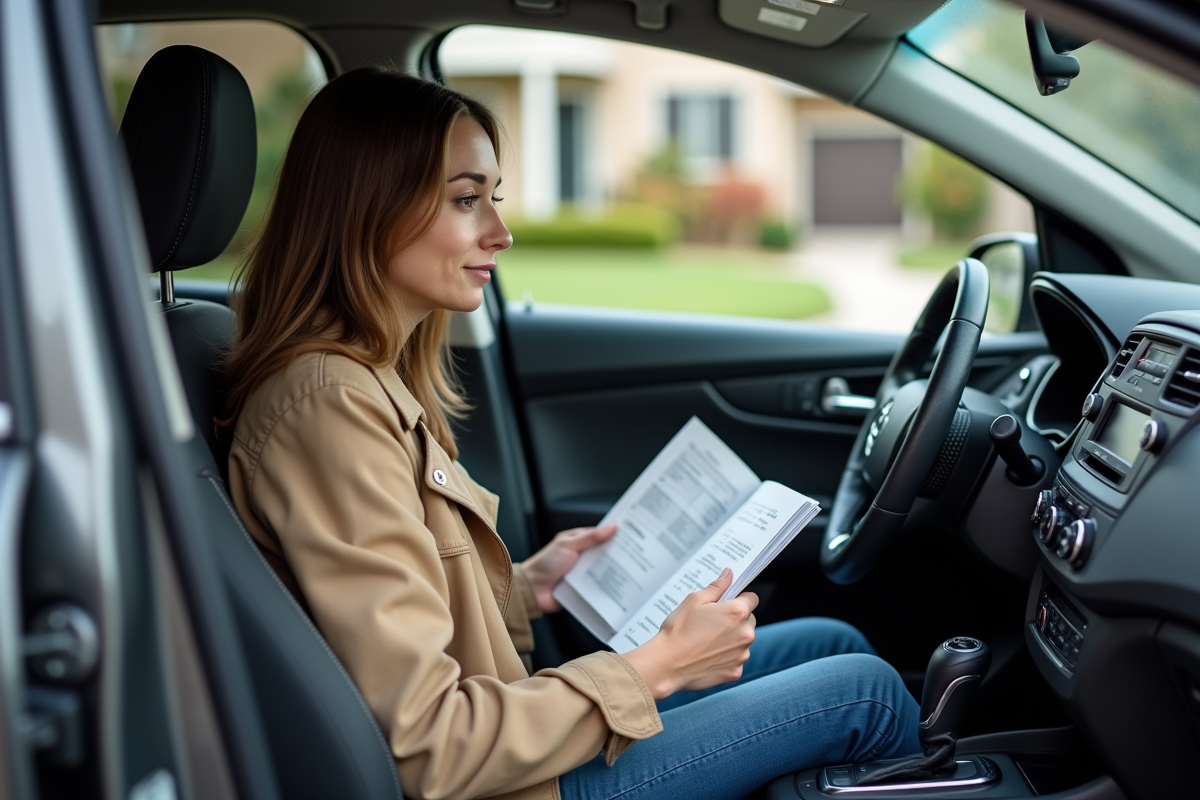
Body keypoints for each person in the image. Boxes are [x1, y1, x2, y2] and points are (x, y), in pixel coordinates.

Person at [222, 68, 919, 800]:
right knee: (862, 693)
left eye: (494, 197)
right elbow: (429, 744)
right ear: (366, 209)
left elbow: (400, 618)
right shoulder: (328, 409)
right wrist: (662, 665)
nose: (502, 231)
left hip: (513, 741)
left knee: (830, 643)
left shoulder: (367, 380)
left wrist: (527, 587)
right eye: (466, 200)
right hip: (507, 785)